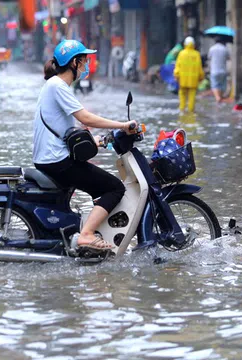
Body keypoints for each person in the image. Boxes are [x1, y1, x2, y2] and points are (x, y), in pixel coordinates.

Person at [33, 39, 137, 251]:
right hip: (56, 160)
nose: (86, 65)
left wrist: (96, 141)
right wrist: (123, 125)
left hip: (52, 157)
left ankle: (81, 232)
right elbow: (86, 118)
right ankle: (87, 234)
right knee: (114, 187)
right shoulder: (58, 86)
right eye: (84, 61)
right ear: (74, 63)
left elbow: (65, 129)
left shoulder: (54, 86)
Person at [174, 36, 205, 113]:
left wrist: (176, 76)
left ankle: (182, 111)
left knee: (182, 98)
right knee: (192, 99)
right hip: (193, 81)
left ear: (185, 44)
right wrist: (201, 77)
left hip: (182, 81)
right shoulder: (197, 54)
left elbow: (177, 67)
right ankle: (190, 112)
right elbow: (199, 68)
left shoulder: (181, 54)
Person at [208, 36, 230, 103]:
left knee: (215, 85)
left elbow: (209, 57)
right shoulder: (224, 49)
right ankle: (219, 98)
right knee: (222, 85)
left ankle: (218, 98)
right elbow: (228, 58)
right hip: (223, 70)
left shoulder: (212, 48)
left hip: (214, 70)